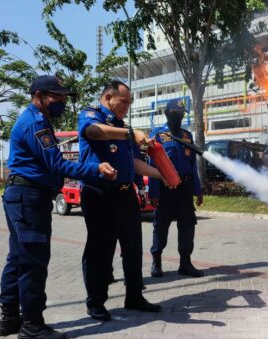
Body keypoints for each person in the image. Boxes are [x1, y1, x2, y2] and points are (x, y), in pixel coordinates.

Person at [0, 75, 118, 339]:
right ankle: (32, 325)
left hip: (22, 195)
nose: (62, 101)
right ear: (39, 95)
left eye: (64, 96)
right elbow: (58, 165)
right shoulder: (36, 123)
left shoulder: (35, 120)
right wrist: (95, 170)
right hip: (28, 197)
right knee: (33, 261)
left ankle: (9, 318)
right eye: (57, 96)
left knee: (18, 257)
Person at [79, 80, 168, 321]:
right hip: (99, 193)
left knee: (133, 247)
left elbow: (133, 162)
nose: (126, 107)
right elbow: (94, 132)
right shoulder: (90, 115)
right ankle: (96, 302)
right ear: (108, 97)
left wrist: (162, 174)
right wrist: (130, 133)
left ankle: (134, 296)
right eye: (124, 102)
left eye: (129, 103)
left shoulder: (121, 127)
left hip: (125, 194)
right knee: (100, 249)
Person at [149, 98, 205, 279]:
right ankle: (156, 261)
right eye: (176, 114)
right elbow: (153, 164)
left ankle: (185, 263)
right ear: (167, 113)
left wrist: (198, 189)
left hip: (186, 188)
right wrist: (154, 192)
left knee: (188, 225)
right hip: (166, 188)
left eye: (181, 114)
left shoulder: (187, 135)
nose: (179, 117)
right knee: (161, 226)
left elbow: (192, 164)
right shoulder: (158, 135)